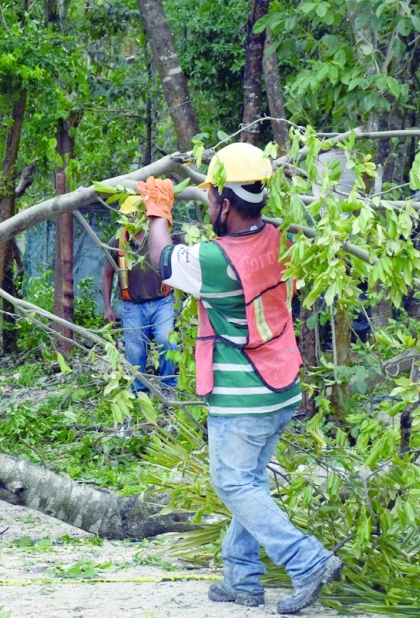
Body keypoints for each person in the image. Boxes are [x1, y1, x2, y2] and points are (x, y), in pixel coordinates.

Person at [143, 142, 342, 614]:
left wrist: (157, 211)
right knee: (249, 480)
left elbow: (161, 261)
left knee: (234, 484)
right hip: (282, 387)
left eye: (213, 199)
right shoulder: (282, 238)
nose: (209, 204)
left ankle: (306, 560)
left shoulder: (216, 260)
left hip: (244, 395)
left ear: (227, 205)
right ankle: (241, 578)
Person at [101, 195, 178, 392]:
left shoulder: (159, 235)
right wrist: (108, 307)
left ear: (143, 216)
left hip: (162, 302)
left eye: (135, 215)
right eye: (128, 216)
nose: (132, 219)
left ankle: (169, 387)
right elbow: (107, 275)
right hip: (133, 306)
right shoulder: (118, 241)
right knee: (135, 352)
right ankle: (139, 393)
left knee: (166, 341)